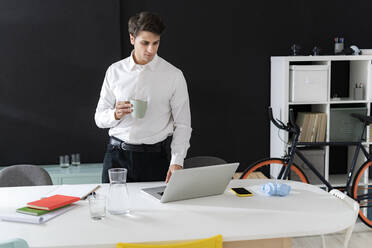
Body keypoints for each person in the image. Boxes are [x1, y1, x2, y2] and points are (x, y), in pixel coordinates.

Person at [95, 11, 192, 183]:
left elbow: (183, 124)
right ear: (132, 38)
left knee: (156, 210)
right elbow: (99, 118)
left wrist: (177, 161)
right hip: (116, 156)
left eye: (156, 43)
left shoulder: (174, 75)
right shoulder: (115, 71)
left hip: (155, 159)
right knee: (111, 209)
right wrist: (114, 114)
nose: (151, 50)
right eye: (145, 43)